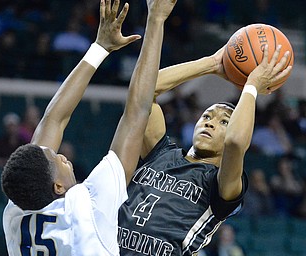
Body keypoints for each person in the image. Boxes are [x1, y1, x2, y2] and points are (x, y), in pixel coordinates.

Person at [1, 0, 177, 255]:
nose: (61, 155)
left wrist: (100, 48)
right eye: (58, 159)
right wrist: (156, 21)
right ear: (58, 187)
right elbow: (137, 112)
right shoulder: (87, 208)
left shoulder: (17, 211)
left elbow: (54, 120)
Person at [118, 44, 292, 255]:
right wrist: (211, 64)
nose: (210, 123)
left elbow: (236, 143)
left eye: (224, 122)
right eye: (207, 116)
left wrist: (252, 86)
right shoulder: (160, 153)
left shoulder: (220, 183)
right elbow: (144, 89)